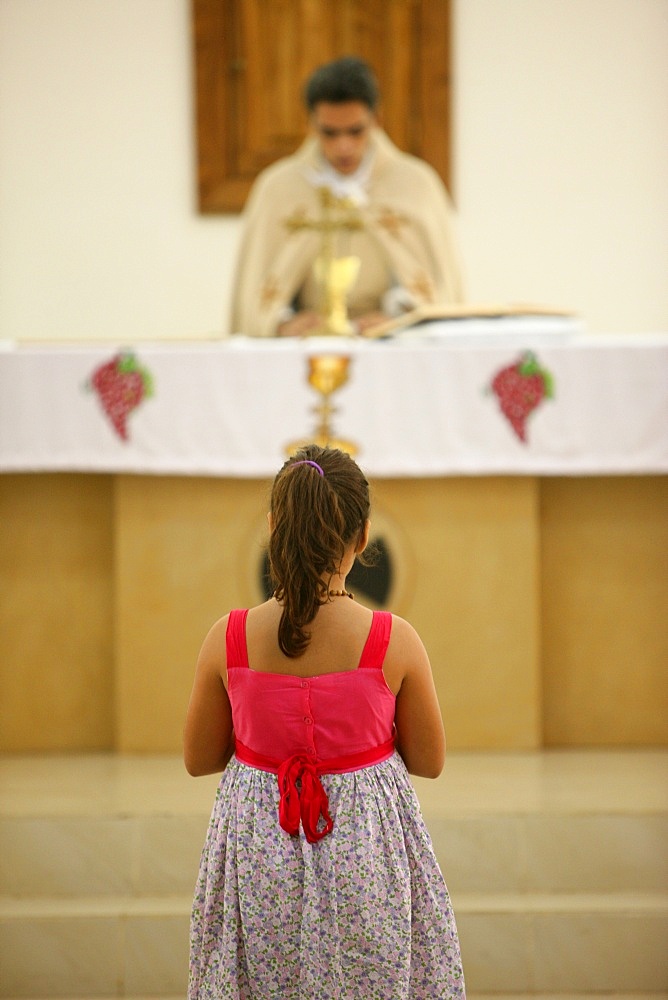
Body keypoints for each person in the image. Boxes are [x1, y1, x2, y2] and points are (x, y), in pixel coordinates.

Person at [184, 444, 466, 998]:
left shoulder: (229, 637)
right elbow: (429, 762)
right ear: (362, 537)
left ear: (273, 528)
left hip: (258, 860)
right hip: (367, 859)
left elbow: (199, 759)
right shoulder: (394, 641)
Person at [230, 56, 465, 338]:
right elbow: (260, 286)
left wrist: (398, 315)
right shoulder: (278, 187)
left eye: (356, 131)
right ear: (310, 124)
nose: (344, 147)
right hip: (306, 341)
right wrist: (282, 322)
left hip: (391, 342)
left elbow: (434, 285)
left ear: (377, 120)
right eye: (329, 133)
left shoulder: (415, 183)